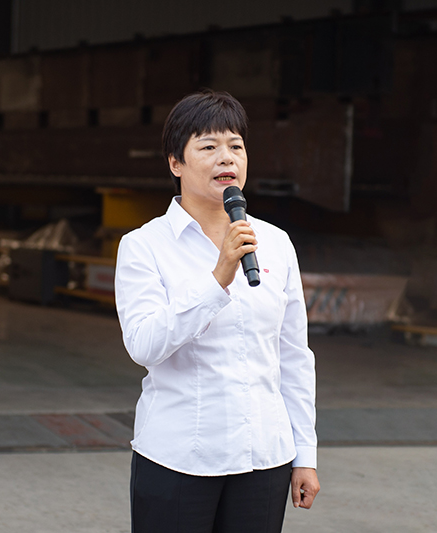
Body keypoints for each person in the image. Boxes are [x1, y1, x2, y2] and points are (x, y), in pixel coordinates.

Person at [114, 90, 320, 533]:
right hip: (178, 457)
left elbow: (293, 356)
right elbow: (144, 345)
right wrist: (218, 277)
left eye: (236, 146)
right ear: (176, 163)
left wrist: (305, 454)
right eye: (208, 146)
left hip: (264, 458)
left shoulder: (275, 242)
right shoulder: (143, 246)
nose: (226, 157)